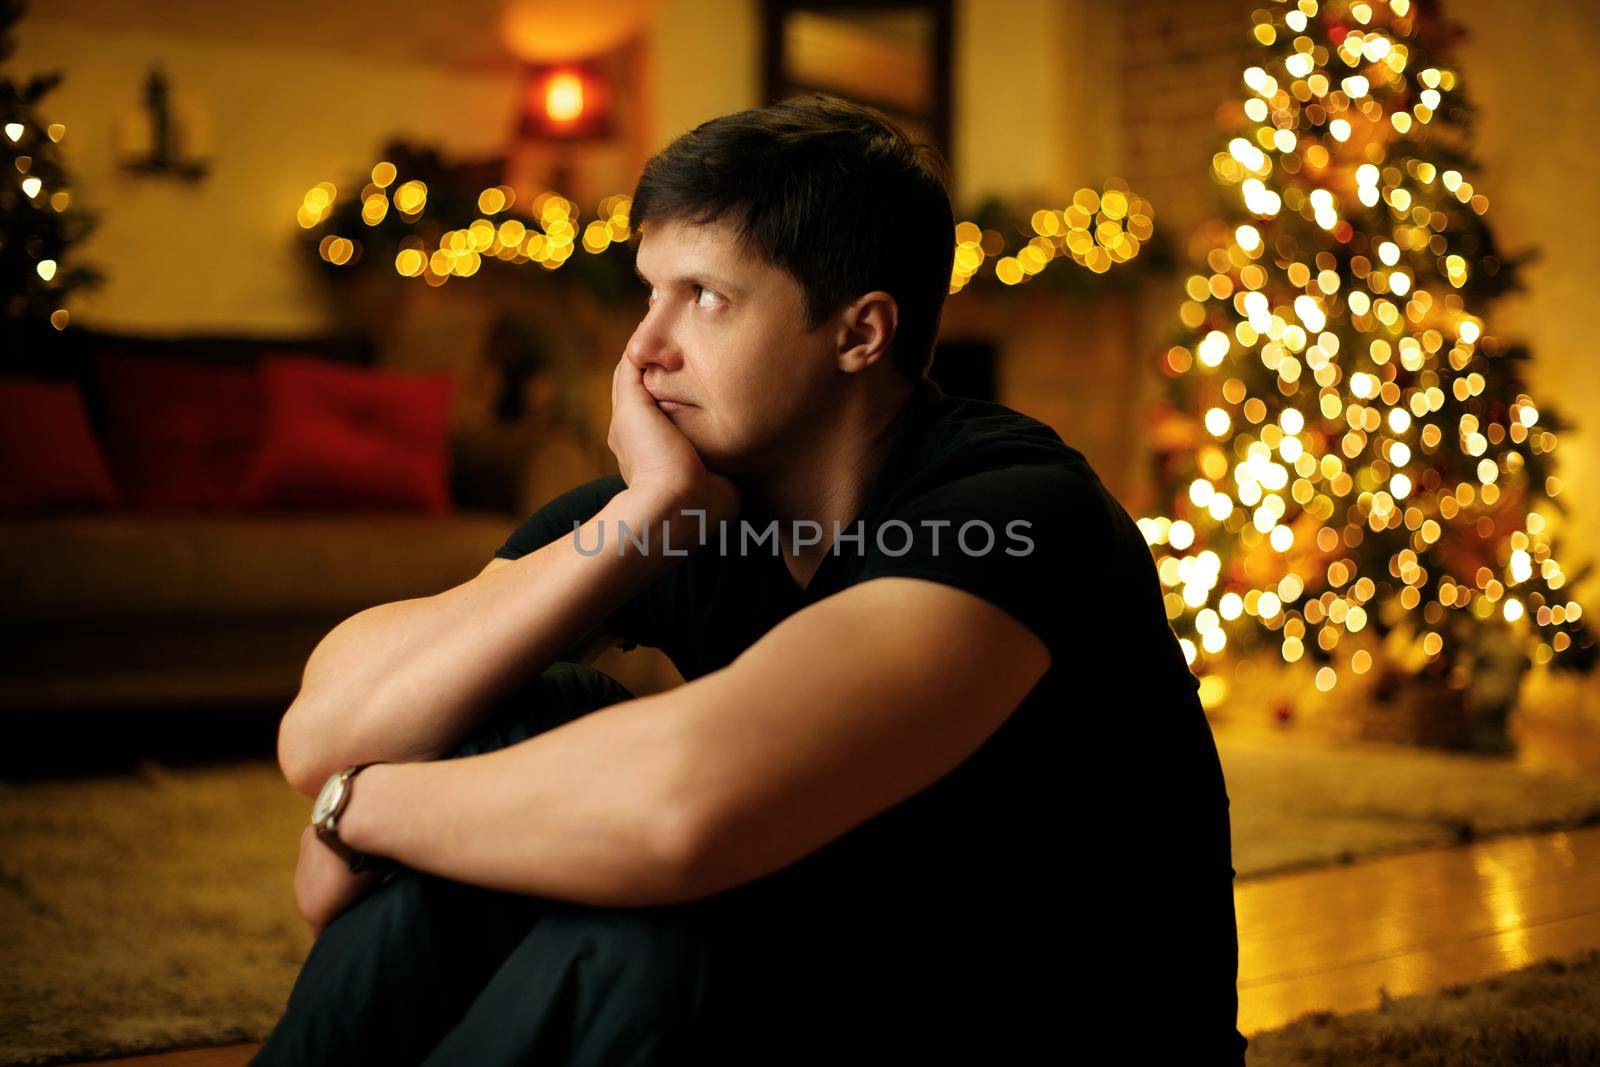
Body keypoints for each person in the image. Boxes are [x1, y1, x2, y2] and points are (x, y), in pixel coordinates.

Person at [257, 93, 1246, 1065]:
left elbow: (683, 810)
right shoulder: (679, 503)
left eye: (706, 298)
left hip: (1032, 1031)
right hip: (850, 991)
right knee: (523, 713)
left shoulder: (1015, 512)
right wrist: (644, 516)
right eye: (649, 292)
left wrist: (360, 812)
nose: (644, 349)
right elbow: (324, 728)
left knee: (651, 919)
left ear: (860, 333)